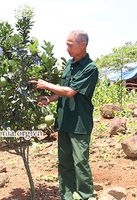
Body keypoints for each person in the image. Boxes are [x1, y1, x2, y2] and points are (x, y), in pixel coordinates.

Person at [30, 30, 99, 200]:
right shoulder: (69, 64)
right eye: (67, 44)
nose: (67, 48)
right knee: (64, 162)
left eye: (70, 44)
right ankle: (67, 195)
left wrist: (46, 84)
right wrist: (49, 98)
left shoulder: (90, 68)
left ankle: (85, 195)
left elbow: (70, 92)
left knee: (80, 162)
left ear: (82, 44)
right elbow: (62, 91)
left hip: (79, 123)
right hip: (64, 121)